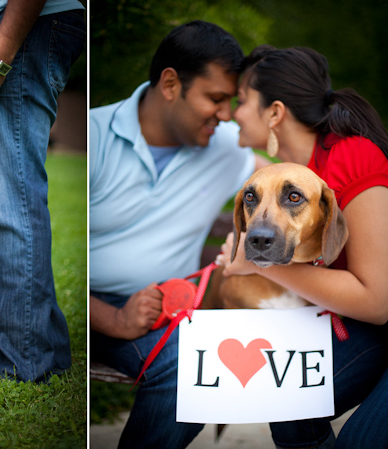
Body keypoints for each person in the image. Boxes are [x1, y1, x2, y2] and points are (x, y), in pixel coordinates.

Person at [90, 21, 268, 448]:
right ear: (170, 84)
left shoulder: (225, 145)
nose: (226, 114)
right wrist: (113, 319)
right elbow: (45, 260)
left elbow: (295, 183)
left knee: (207, 366)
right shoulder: (95, 137)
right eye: (215, 98)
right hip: (84, 305)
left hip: (169, 309)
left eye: (231, 101)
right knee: (190, 367)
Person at [223, 44, 388, 448]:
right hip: (359, 325)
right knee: (288, 398)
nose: (231, 113)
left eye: (241, 101)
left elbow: (378, 300)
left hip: (376, 316)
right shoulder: (289, 176)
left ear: (275, 113)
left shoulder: (353, 158)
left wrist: (259, 263)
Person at [0, 0, 86, 382]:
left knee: (9, 208)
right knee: (17, 198)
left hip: (9, 32)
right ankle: (46, 350)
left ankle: (23, 360)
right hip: (18, 31)